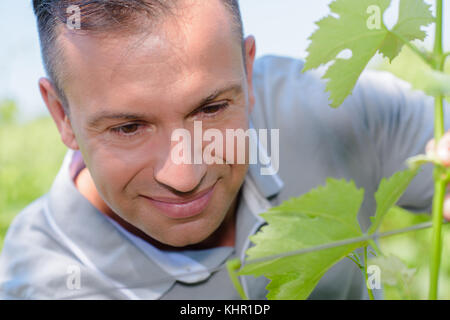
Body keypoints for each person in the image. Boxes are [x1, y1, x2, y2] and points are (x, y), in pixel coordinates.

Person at [0, 0, 449, 299]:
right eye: (129, 127)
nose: (184, 175)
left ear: (247, 73)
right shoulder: (45, 283)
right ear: (62, 117)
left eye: (212, 108)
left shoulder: (336, 113)